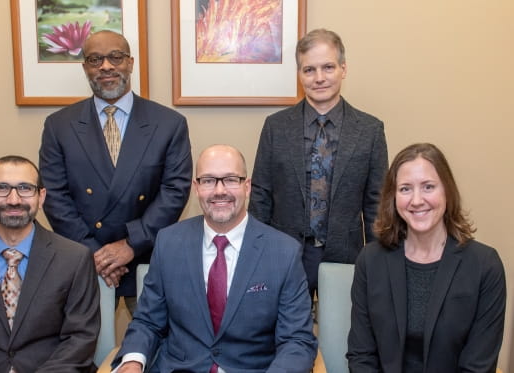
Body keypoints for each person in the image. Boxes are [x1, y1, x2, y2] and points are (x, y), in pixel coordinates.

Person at [111, 145, 318, 373]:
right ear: (196, 188)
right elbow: (147, 322)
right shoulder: (169, 243)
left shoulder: (284, 252)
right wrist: (132, 362)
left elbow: (297, 341)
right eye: (208, 180)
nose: (219, 191)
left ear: (246, 186)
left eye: (230, 179)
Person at [39, 30, 192, 314]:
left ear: (130, 63)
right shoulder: (58, 126)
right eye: (95, 59)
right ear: (85, 67)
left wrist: (130, 245)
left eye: (115, 57)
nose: (106, 66)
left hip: (146, 257)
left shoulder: (169, 123)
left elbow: (174, 191)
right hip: (85, 261)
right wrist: (95, 254)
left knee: (152, 351)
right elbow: (53, 195)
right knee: (85, 352)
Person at [249, 28, 388, 296]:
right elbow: (260, 196)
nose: (319, 78)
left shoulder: (370, 130)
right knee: (286, 335)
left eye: (328, 67)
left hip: (347, 255)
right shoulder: (275, 127)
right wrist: (257, 255)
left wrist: (379, 261)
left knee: (341, 334)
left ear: (343, 69)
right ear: (299, 74)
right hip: (284, 253)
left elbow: (377, 204)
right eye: (309, 70)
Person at [347, 143, 506, 372]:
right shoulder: (370, 261)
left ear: (447, 191)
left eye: (428, 187)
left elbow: (478, 366)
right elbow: (361, 356)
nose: (417, 200)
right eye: (405, 189)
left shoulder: (484, 266)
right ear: (393, 197)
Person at [0, 155, 100, 372]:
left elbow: (80, 340)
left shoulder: (75, 258)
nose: (14, 199)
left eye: (25, 188)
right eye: (1, 188)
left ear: (41, 197)